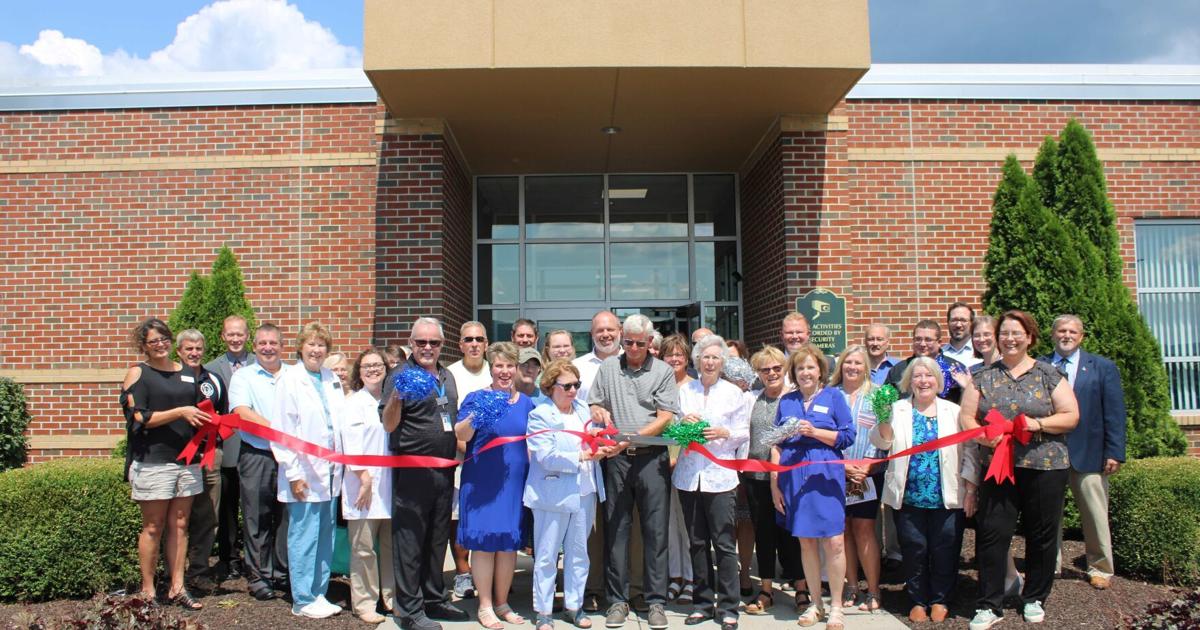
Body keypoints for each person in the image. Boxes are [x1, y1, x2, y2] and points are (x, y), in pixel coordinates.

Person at [960, 310, 1079, 630]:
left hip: (1044, 465)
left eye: (1017, 333)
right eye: (1004, 334)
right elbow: (967, 417)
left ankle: (1034, 597)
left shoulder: (1048, 373)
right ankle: (989, 604)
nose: (1010, 339)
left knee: (1041, 534)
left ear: (1030, 338)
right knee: (992, 534)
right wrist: (983, 434)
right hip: (999, 465)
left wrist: (1037, 424)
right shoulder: (984, 376)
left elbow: (1070, 415)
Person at [588, 313, 679, 630]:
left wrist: (634, 436)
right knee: (617, 530)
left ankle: (655, 601)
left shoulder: (664, 371)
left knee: (655, 533)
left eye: (641, 343)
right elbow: (594, 403)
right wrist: (597, 409)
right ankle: (617, 600)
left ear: (650, 342)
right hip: (617, 460)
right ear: (622, 340)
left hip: (652, 458)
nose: (635, 348)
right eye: (628, 342)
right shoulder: (609, 367)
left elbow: (666, 415)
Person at [870, 357, 977, 624]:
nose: (923, 381)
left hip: (947, 495)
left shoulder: (953, 411)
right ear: (909, 382)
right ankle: (917, 599)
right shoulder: (896, 409)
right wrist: (883, 419)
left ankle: (940, 598)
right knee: (914, 548)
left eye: (928, 376)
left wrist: (971, 488)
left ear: (938, 381)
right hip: (909, 496)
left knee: (946, 548)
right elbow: (882, 442)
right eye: (917, 376)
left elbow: (971, 451)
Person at [382, 317, 469, 630]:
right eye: (421, 342)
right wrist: (396, 399)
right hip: (412, 472)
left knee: (435, 540)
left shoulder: (447, 376)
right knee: (410, 542)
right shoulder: (400, 376)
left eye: (434, 342)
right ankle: (408, 611)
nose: (428, 347)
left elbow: (451, 419)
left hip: (444, 471)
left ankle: (434, 599)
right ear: (411, 343)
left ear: (442, 345)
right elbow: (389, 424)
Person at [120, 318, 209, 610]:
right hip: (153, 461)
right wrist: (180, 411)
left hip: (187, 461)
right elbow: (140, 418)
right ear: (143, 346)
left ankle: (177, 587)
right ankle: (148, 591)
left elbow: (198, 413)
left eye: (163, 339)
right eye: (152, 341)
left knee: (181, 525)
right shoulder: (138, 373)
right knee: (153, 526)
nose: (159, 345)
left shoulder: (186, 372)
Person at [769, 343, 854, 630]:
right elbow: (776, 443)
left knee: (834, 541)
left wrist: (814, 431)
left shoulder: (834, 397)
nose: (805, 372)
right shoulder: (787, 401)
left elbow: (847, 436)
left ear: (820, 371)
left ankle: (837, 607)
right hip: (794, 479)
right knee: (806, 542)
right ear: (793, 373)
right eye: (800, 368)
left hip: (826, 475)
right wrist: (775, 484)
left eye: (810, 367)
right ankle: (815, 604)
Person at [525, 360, 611, 630]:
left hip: (584, 490)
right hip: (552, 493)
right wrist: (583, 455)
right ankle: (544, 611)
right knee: (548, 555)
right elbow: (545, 456)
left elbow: (591, 436)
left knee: (578, 553)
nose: (574, 390)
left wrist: (601, 440)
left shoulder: (583, 409)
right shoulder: (540, 415)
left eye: (577, 385)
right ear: (551, 387)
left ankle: (575, 606)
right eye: (568, 386)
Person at [455, 342, 534, 629]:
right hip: (482, 483)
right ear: (491, 367)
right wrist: (478, 415)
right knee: (485, 545)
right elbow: (460, 434)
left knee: (507, 545)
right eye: (499, 365)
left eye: (509, 365)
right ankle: (485, 604)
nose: (504, 371)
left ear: (516, 368)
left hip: (514, 485)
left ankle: (502, 603)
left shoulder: (526, 403)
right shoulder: (476, 397)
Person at [1045, 315, 1126, 590]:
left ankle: (1100, 567)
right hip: (1048, 453)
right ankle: (1048, 565)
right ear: (1052, 334)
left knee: (1094, 513)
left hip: (1089, 453)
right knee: (1048, 513)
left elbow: (1114, 414)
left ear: (1081, 337)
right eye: (1061, 331)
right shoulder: (1039, 366)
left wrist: (1114, 452)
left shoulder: (1102, 367)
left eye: (1072, 331)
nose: (1066, 335)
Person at [674, 335, 749, 630]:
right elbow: (673, 429)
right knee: (696, 543)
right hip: (690, 476)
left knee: (724, 543)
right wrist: (683, 424)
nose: (710, 362)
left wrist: (724, 432)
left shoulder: (733, 393)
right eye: (705, 357)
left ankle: (729, 607)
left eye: (715, 358)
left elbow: (744, 431)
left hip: (721, 478)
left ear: (722, 362)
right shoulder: (685, 391)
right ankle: (703, 603)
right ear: (697, 360)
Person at [273, 322, 346, 619]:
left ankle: (319, 592)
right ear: (300, 348)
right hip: (304, 472)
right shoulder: (289, 379)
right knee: (304, 535)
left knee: (326, 533)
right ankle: (302, 598)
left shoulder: (330, 378)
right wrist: (293, 473)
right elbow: (282, 430)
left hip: (330, 472)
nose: (316, 350)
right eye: (311, 344)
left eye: (321, 345)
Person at [228, 323, 290, 601]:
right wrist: (277, 431)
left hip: (290, 456)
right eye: (263, 343)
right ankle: (259, 577)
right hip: (258, 454)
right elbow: (242, 411)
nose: (268, 348)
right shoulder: (244, 377)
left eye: (273, 343)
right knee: (257, 517)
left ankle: (282, 573)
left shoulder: (294, 374)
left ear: (281, 345)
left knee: (287, 517)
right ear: (254, 346)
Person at [742, 346, 802, 616]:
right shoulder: (752, 399)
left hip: (787, 479)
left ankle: (801, 588)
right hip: (755, 478)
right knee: (763, 535)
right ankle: (766, 589)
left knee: (791, 535)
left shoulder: (794, 400)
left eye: (777, 368)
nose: (771, 373)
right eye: (765, 370)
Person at [341, 348, 396, 624]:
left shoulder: (391, 400)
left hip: (390, 487)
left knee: (390, 547)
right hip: (362, 487)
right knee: (363, 548)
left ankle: (391, 598)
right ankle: (364, 602)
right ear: (359, 372)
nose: (373, 370)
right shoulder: (353, 403)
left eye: (378, 365)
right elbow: (350, 446)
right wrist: (363, 479)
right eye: (367, 366)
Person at [574, 311, 623, 613]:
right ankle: (591, 589)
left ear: (619, 330)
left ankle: (624, 588)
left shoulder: (633, 362)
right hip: (589, 457)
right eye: (599, 330)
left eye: (610, 329)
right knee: (591, 528)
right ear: (591, 333)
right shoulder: (579, 368)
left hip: (624, 454)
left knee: (621, 523)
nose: (605, 334)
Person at [829, 344, 883, 613]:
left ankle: (873, 590)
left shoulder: (878, 396)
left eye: (858, 363)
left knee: (864, 530)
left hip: (867, 475)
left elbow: (884, 435)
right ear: (841, 365)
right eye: (848, 362)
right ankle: (852, 585)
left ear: (866, 368)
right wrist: (843, 466)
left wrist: (867, 467)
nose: (852, 367)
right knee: (843, 530)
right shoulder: (830, 395)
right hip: (836, 473)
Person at [177, 329, 229, 592]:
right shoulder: (172, 379)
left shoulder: (214, 380)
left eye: (198, 348)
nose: (194, 353)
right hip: (179, 458)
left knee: (208, 515)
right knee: (178, 517)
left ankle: (199, 571)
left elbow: (225, 417)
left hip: (210, 456)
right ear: (179, 351)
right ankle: (174, 575)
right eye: (189, 348)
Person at [204, 315, 254, 582]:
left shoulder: (262, 364)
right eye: (230, 334)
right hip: (225, 447)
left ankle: (256, 560)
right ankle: (230, 560)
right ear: (222, 337)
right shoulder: (210, 369)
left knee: (256, 510)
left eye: (240, 334)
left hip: (256, 448)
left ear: (248, 335)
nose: (235, 339)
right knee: (227, 512)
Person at [446, 321, 493, 600]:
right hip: (460, 456)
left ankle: (486, 573)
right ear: (460, 344)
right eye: (468, 339)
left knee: (487, 516)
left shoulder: (496, 371)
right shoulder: (449, 375)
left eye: (479, 339)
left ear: (486, 343)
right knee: (459, 517)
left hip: (492, 460)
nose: (474, 344)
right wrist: (463, 445)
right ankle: (463, 573)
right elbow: (446, 416)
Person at [660, 334, 695, 605]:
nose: (674, 359)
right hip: (661, 467)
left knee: (689, 526)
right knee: (669, 525)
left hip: (688, 465)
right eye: (669, 354)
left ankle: (692, 578)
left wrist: (677, 455)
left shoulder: (694, 388)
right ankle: (674, 576)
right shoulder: (659, 387)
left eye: (679, 354)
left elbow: (696, 431)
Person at [885, 320, 968, 404]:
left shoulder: (955, 369)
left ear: (939, 342)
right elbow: (884, 403)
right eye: (918, 339)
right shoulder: (898, 370)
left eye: (928, 340)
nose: (922, 344)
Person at [943, 302, 982, 370]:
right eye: (954, 320)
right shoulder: (940, 354)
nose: (958, 325)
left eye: (963, 320)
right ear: (948, 322)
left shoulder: (982, 352)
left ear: (971, 323)